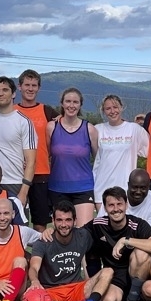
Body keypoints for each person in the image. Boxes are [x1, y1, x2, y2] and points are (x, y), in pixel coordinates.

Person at [42, 187, 151, 301]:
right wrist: (52, 230)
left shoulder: (138, 224)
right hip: (114, 275)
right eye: (111, 205)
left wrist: (125, 240)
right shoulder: (98, 225)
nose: (116, 209)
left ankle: (134, 300)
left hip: (137, 273)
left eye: (119, 204)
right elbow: (75, 234)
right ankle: (123, 299)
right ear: (104, 208)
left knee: (141, 253)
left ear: (126, 205)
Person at [27, 201, 119, 301]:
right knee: (29, 300)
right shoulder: (43, 241)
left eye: (68, 220)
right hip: (51, 291)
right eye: (59, 220)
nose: (64, 224)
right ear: (53, 221)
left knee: (108, 271)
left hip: (77, 288)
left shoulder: (83, 236)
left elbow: (101, 242)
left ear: (75, 221)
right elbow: (34, 267)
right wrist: (35, 281)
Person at [46, 87, 99, 227]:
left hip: (83, 187)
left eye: (75, 102)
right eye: (68, 101)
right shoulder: (52, 127)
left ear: (80, 105)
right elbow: (45, 156)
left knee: (84, 232)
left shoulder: (90, 129)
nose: (71, 105)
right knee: (62, 232)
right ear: (62, 104)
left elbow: (98, 160)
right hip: (57, 188)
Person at [15, 69, 59, 231]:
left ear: (39, 88)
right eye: (27, 85)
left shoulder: (47, 111)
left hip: (41, 173)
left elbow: (69, 123)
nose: (30, 88)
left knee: (40, 223)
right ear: (19, 87)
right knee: (15, 223)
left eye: (34, 85)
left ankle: (40, 255)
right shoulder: (11, 111)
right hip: (16, 174)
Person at [0, 76, 37, 204]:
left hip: (15, 183)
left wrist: (23, 192)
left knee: (17, 224)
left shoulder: (24, 122)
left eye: (5, 90)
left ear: (13, 93)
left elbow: (31, 161)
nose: (1, 94)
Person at [92, 94, 149, 210]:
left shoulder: (134, 129)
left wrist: (148, 119)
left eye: (115, 107)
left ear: (121, 107)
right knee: (104, 226)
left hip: (126, 189)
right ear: (103, 111)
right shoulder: (97, 129)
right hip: (102, 187)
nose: (112, 111)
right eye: (108, 108)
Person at [124, 169, 151, 234]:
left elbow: (150, 238)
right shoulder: (117, 198)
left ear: (149, 187)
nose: (138, 192)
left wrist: (125, 241)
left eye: (143, 188)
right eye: (135, 187)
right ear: (128, 185)